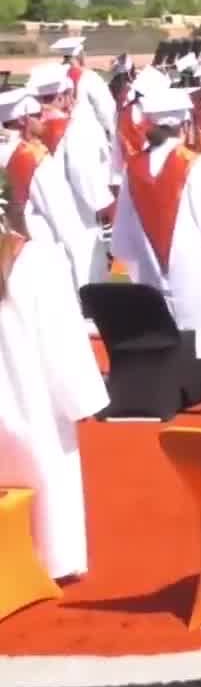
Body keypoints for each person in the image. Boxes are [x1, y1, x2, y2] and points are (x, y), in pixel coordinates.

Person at [0, 193, 108, 582]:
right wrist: (84, 398)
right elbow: (62, 340)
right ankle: (55, 561)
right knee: (49, 480)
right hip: (37, 402)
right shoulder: (40, 262)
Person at [109, 87, 201, 398]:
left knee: (166, 314)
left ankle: (183, 375)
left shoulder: (135, 166)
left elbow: (125, 217)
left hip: (149, 254)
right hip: (193, 253)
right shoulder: (195, 165)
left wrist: (128, 254)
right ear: (183, 125)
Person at [1, 92, 93, 291]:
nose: (44, 118)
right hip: (35, 252)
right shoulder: (33, 155)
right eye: (37, 114)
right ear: (22, 120)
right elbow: (62, 215)